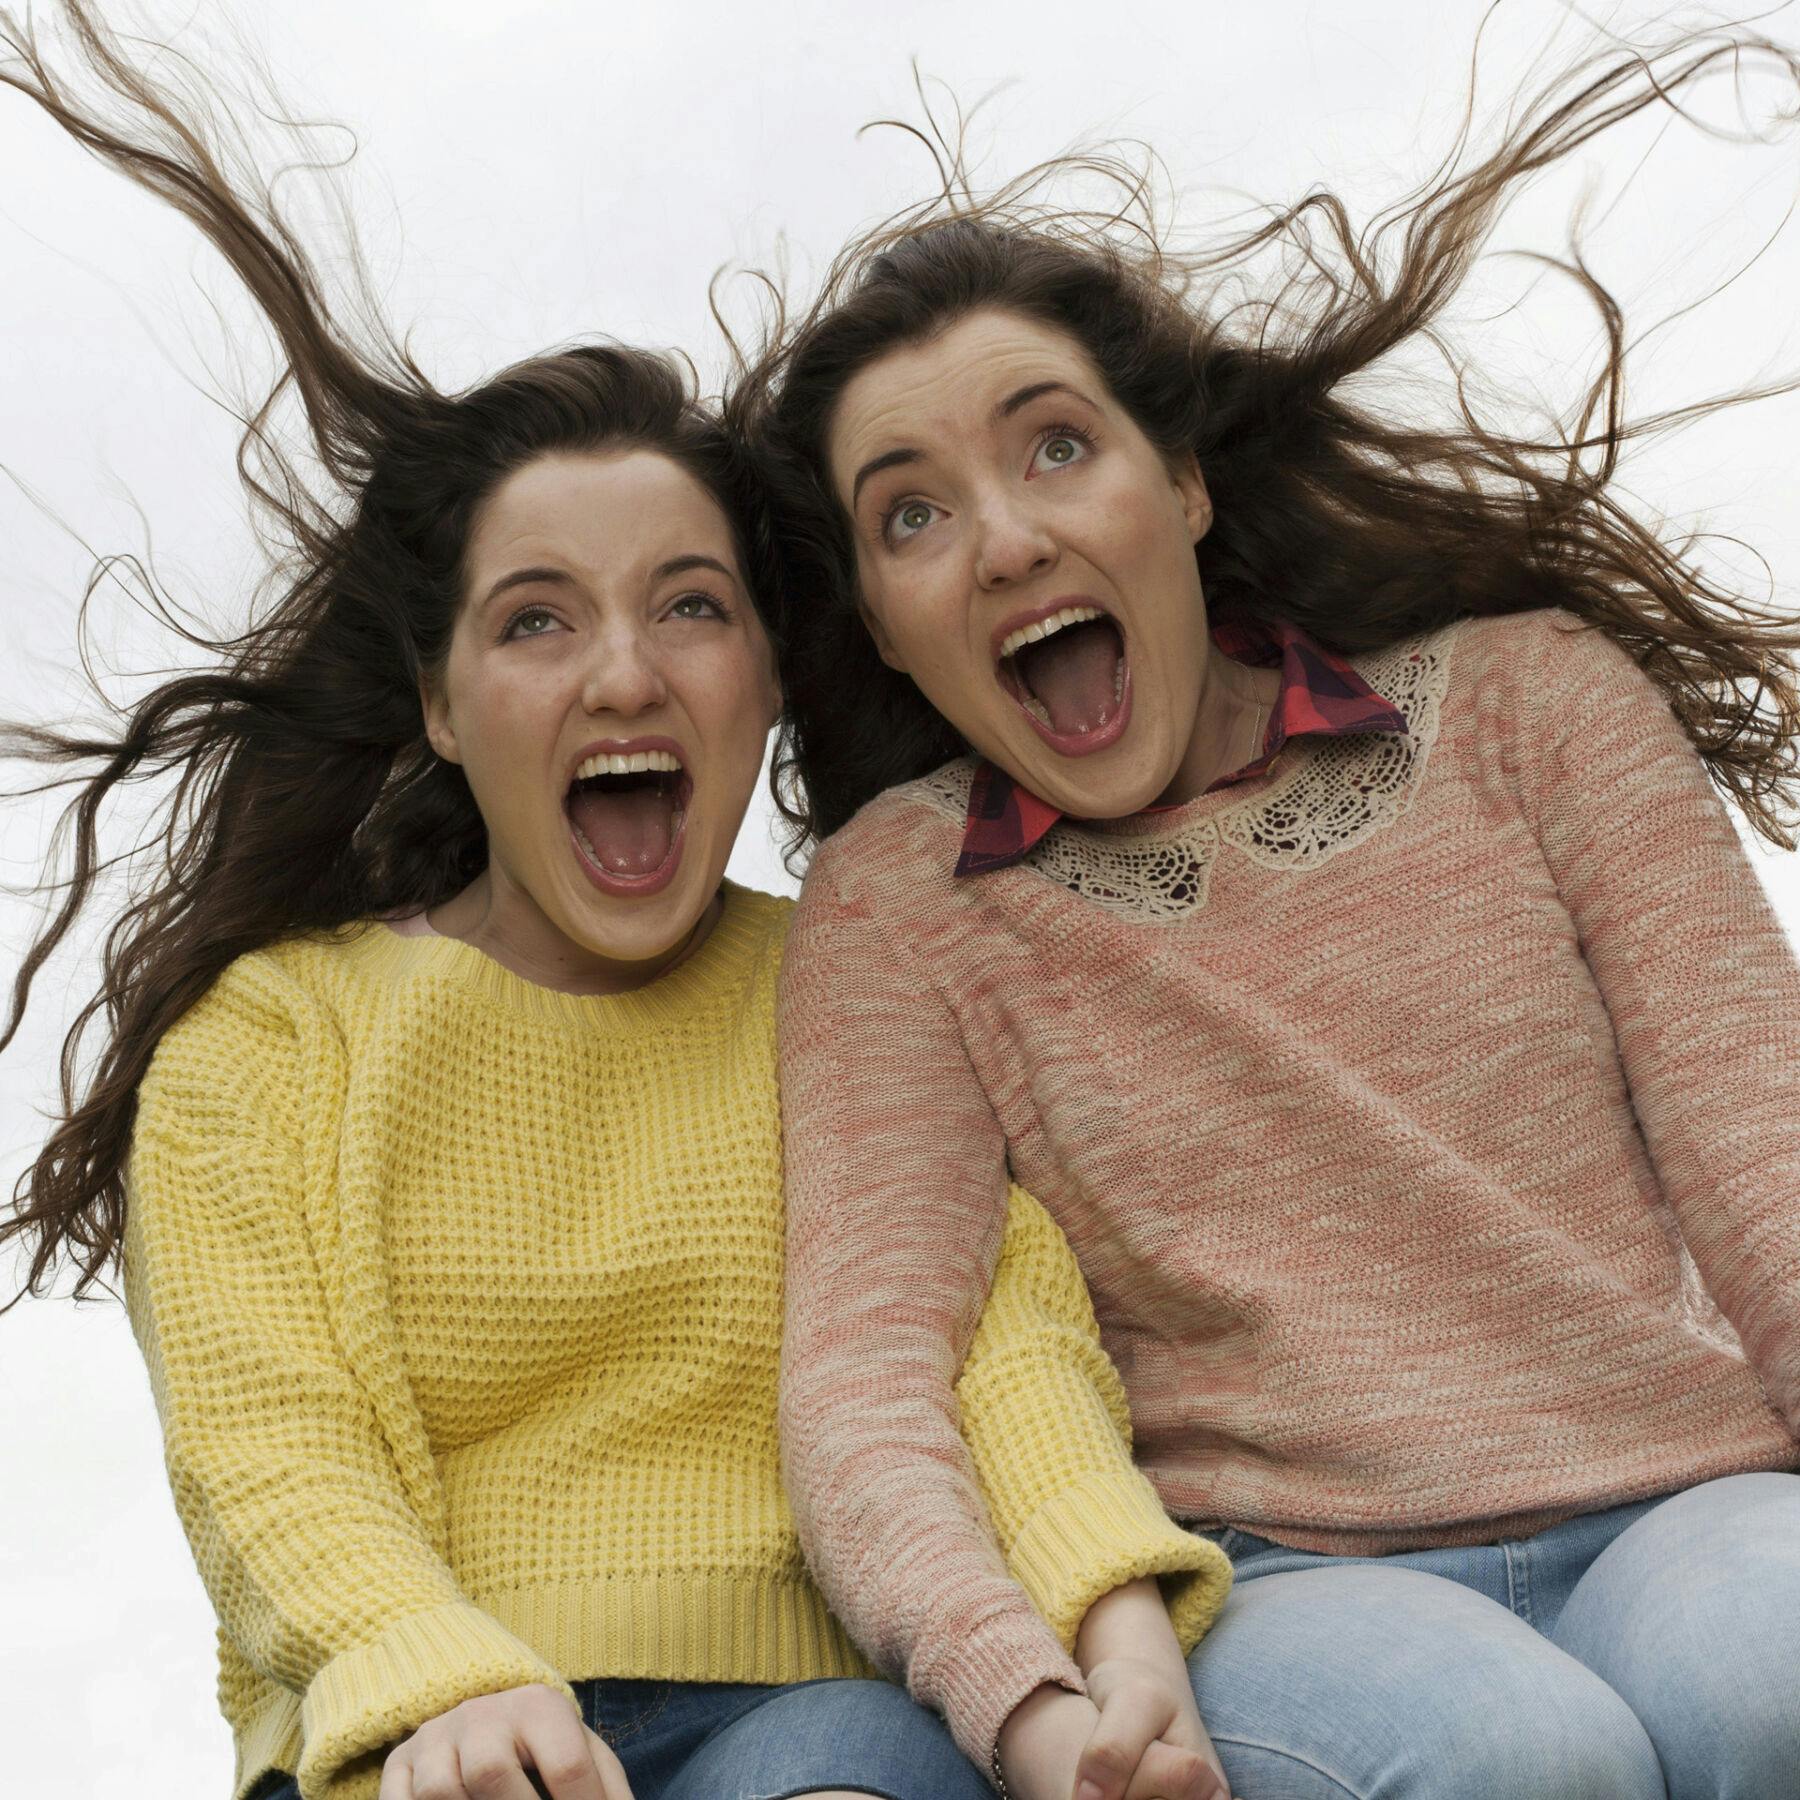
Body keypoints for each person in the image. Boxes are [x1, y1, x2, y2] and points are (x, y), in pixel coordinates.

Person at [0, 7, 1234, 1799]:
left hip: (833, 1724)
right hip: (430, 1734)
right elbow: (269, 1443)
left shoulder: (860, 976)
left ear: (767, 678)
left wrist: (1109, 1623)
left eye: (691, 607)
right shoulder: (275, 1039)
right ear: (442, 706)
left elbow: (1006, 1353)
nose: (625, 676)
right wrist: (444, 1687)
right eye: (537, 621)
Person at [740, 28, 1800, 1800]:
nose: (1004, 541)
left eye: (1055, 448)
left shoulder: (1534, 701)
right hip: (1287, 1584)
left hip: (1689, 1496)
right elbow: (870, 1374)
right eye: (912, 514)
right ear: (884, 620)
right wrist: (1018, 1684)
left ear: (1183, 485)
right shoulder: (898, 903)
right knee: (1524, 1765)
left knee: (1778, 1690)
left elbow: (1770, 1160)